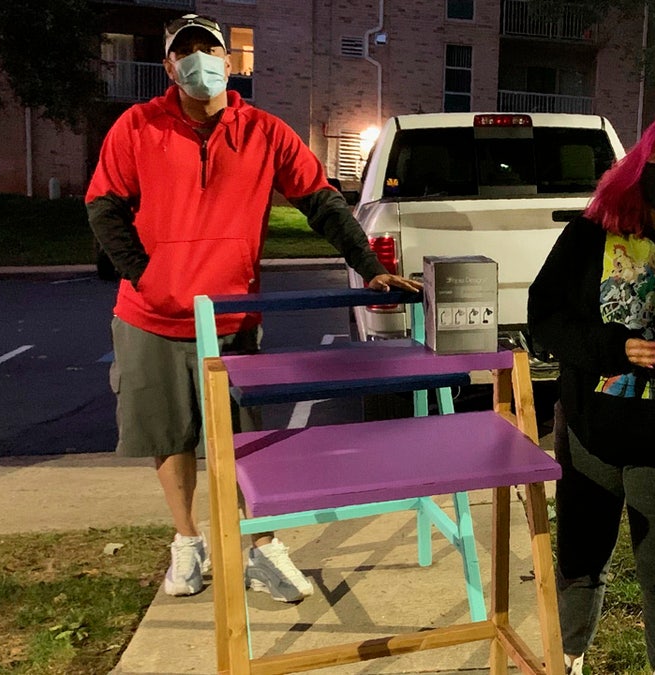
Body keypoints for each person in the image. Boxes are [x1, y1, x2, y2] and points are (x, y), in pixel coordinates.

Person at [86, 13, 421, 603]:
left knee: (243, 442)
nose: (198, 61)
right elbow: (104, 208)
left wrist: (369, 265)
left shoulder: (263, 131)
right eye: (184, 52)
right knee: (171, 437)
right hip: (151, 317)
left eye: (208, 50)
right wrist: (148, 276)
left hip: (232, 317)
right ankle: (187, 543)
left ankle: (261, 548)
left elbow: (322, 202)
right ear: (168, 66)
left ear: (228, 61)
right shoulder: (136, 126)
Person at [528, 110, 655, 675]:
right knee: (580, 562)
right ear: (641, 161)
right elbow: (543, 321)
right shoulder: (590, 233)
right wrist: (614, 349)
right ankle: (567, 658)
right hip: (590, 436)